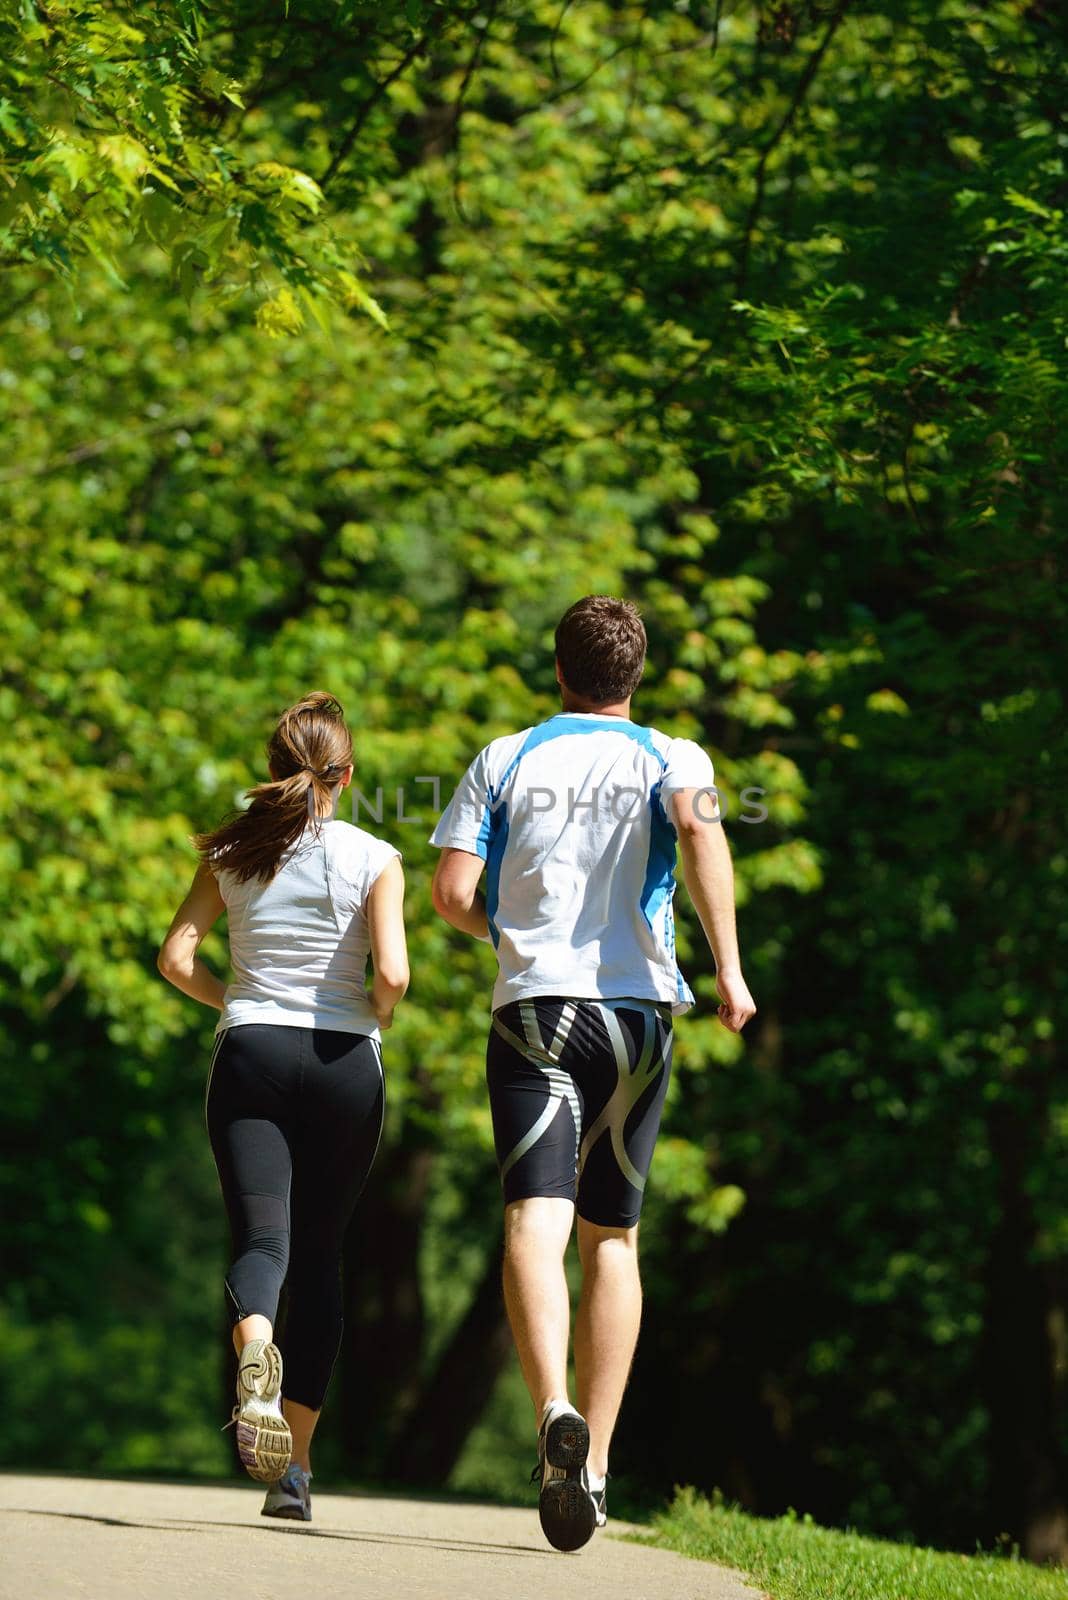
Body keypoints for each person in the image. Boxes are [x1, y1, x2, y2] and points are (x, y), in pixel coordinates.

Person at [430, 596, 755, 1552]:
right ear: (636, 672)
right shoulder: (673, 757)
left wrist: (511, 934)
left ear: (560, 668)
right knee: (612, 1240)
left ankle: (553, 1417)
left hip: (534, 1010)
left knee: (535, 1220)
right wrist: (729, 970)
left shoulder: (507, 754)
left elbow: (451, 892)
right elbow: (701, 839)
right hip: (639, 1015)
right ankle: (598, 1468)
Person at [158, 691, 408, 1523]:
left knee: (264, 1239)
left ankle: (255, 1347)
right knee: (322, 1258)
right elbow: (396, 976)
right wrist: (374, 1011)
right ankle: (294, 1472)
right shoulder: (375, 854)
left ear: (273, 772)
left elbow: (175, 956)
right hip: (344, 1063)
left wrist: (231, 999)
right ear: (347, 774)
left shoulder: (231, 851)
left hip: (252, 1052)